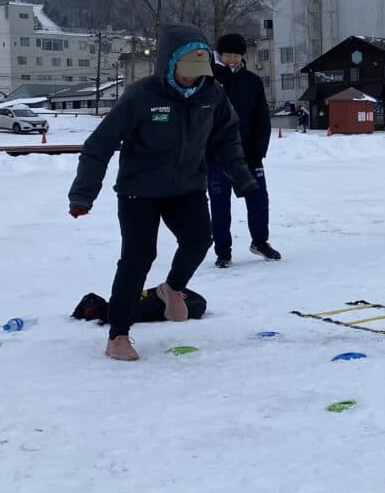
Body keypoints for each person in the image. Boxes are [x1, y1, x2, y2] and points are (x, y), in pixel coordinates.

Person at [68, 24, 259, 362]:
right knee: (138, 258)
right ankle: (119, 335)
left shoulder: (211, 94)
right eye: (186, 72)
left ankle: (171, 287)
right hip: (139, 190)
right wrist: (83, 195)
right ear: (169, 65)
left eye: (198, 72)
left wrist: (242, 178)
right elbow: (99, 145)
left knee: (200, 239)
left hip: (186, 186)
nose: (192, 79)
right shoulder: (142, 95)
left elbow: (227, 138)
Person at [208, 33, 279, 267]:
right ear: (219, 54)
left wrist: (259, 150)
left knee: (259, 200)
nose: (232, 59)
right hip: (217, 155)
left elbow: (262, 119)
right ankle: (223, 251)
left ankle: (260, 242)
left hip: (249, 154)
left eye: (237, 55)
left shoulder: (252, 81)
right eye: (228, 55)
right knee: (220, 204)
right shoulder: (207, 78)